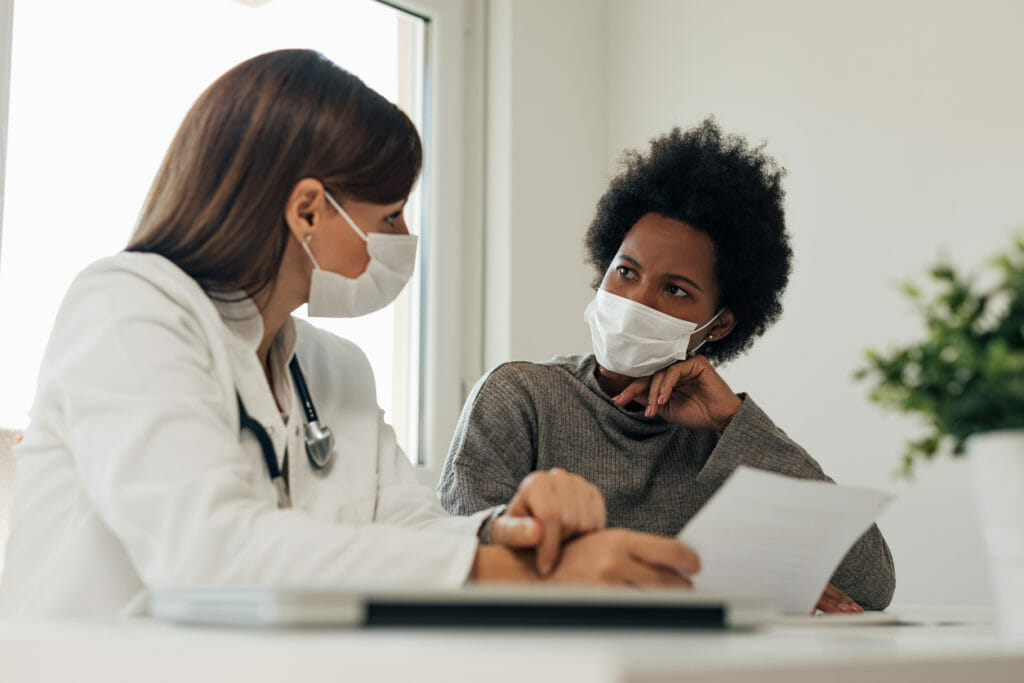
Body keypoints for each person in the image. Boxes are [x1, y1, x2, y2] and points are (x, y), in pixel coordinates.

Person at [0, 50, 700, 618]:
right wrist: (525, 576)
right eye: (391, 215)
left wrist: (507, 530)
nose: (403, 240)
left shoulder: (335, 369)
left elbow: (409, 526)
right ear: (309, 209)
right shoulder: (126, 308)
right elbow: (209, 551)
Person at [438, 119, 896, 612]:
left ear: (718, 325)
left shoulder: (724, 438)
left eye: (675, 290)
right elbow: (456, 565)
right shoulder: (520, 397)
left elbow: (871, 587)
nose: (637, 299)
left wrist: (734, 425)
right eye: (626, 272)